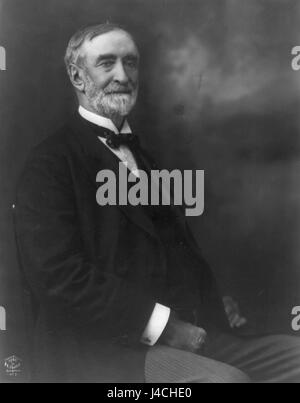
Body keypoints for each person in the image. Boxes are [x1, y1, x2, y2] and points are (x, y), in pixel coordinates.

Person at [14, 23, 300, 383]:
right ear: (77, 75)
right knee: (226, 382)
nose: (123, 75)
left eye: (130, 63)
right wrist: (163, 327)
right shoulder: (50, 164)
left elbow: (167, 251)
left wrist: (207, 306)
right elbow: (58, 278)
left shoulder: (145, 158)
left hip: (177, 330)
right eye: (107, 63)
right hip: (101, 350)